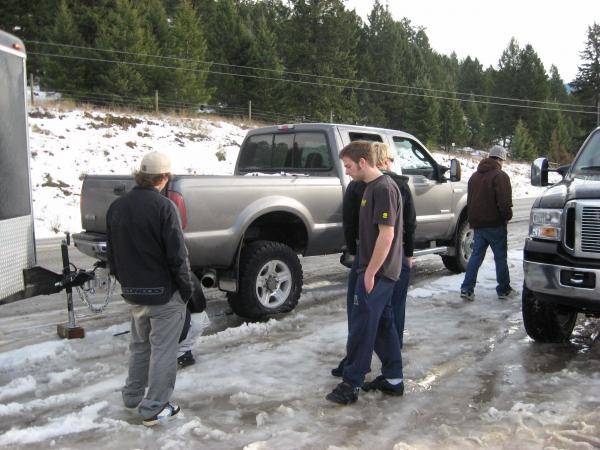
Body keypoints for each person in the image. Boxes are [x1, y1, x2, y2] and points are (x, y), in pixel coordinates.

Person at [107, 151, 194, 426]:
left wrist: (126, 283)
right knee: (164, 351)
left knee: (140, 346)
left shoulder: (117, 207)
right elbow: (177, 255)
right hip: (164, 295)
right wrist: (186, 288)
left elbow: (112, 255)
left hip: (134, 294)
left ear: (140, 175)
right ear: (164, 177)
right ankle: (155, 407)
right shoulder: (164, 207)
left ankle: (132, 396)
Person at [326, 141, 404, 405]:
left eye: (348, 166)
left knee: (362, 324)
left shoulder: (383, 188)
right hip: (375, 268)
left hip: (378, 271)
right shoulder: (370, 188)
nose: (347, 171)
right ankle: (394, 379)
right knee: (383, 324)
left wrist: (370, 273)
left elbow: (387, 234)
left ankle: (351, 383)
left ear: (362, 162)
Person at [460, 145, 515, 301]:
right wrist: (507, 216)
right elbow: (504, 202)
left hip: (478, 225)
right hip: (495, 224)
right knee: (500, 258)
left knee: (476, 257)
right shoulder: (500, 176)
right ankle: (504, 290)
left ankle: (467, 289)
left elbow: (470, 202)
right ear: (500, 159)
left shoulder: (474, 177)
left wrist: (473, 220)